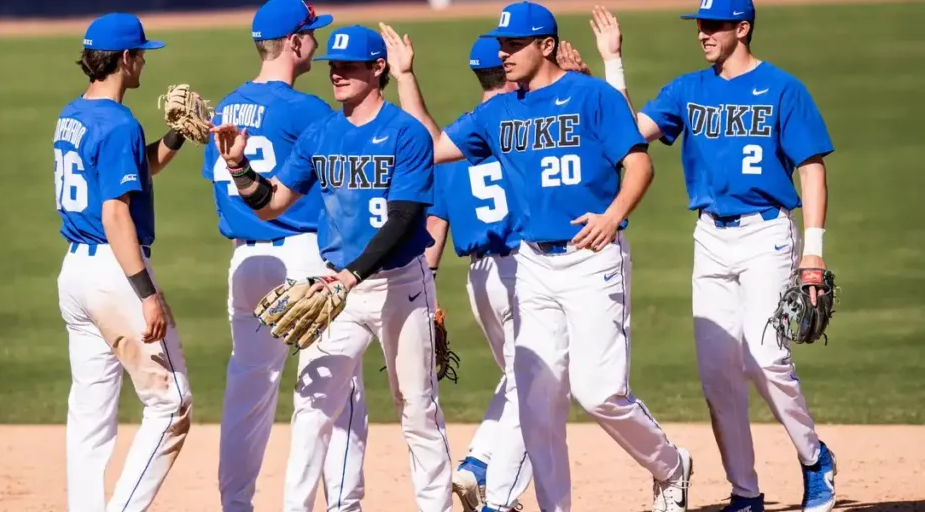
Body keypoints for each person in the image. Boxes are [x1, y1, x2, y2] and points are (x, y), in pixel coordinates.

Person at [380, 3, 695, 511]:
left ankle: (670, 465)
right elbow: (433, 144)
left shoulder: (592, 96)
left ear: (545, 45)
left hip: (593, 259)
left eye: (513, 45)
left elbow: (638, 164)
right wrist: (406, 76)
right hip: (532, 267)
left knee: (599, 393)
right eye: (501, 45)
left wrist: (613, 214)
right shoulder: (498, 111)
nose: (503, 54)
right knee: (537, 404)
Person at [588, 1, 838, 511]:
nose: (702, 34)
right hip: (710, 239)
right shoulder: (687, 90)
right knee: (717, 373)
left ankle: (814, 459)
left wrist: (812, 253)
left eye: (714, 25)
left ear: (741, 29)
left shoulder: (783, 89)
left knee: (766, 357)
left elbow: (811, 168)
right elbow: (627, 137)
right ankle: (745, 492)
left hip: (767, 234)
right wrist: (613, 63)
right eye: (699, 25)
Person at [210, 24, 453, 512]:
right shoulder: (321, 132)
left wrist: (350, 275)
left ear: (377, 69)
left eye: (349, 66)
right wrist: (240, 168)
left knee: (417, 409)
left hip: (400, 286)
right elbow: (272, 203)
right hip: (341, 290)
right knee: (312, 405)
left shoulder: (406, 133)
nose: (337, 74)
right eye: (332, 66)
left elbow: (403, 218)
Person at [201, 1, 369, 510]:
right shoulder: (308, 110)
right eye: (312, 35)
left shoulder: (225, 109)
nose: (317, 43)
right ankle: (331, 504)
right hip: (302, 258)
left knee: (247, 392)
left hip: (246, 264)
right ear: (294, 43)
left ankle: (235, 504)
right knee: (333, 391)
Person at [54, 12, 192, 512]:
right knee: (171, 405)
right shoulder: (119, 123)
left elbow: (134, 172)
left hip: (75, 275)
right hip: (115, 275)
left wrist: (173, 137)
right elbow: (116, 212)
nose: (144, 64)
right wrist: (147, 294)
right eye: (142, 55)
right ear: (126, 59)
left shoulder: (74, 113)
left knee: (90, 413)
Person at [418, 36, 527, 512]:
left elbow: (436, 224)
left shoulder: (456, 139)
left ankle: (477, 465)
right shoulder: (523, 128)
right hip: (526, 268)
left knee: (519, 376)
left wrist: (423, 296)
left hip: (478, 279)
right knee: (538, 379)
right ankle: (493, 486)